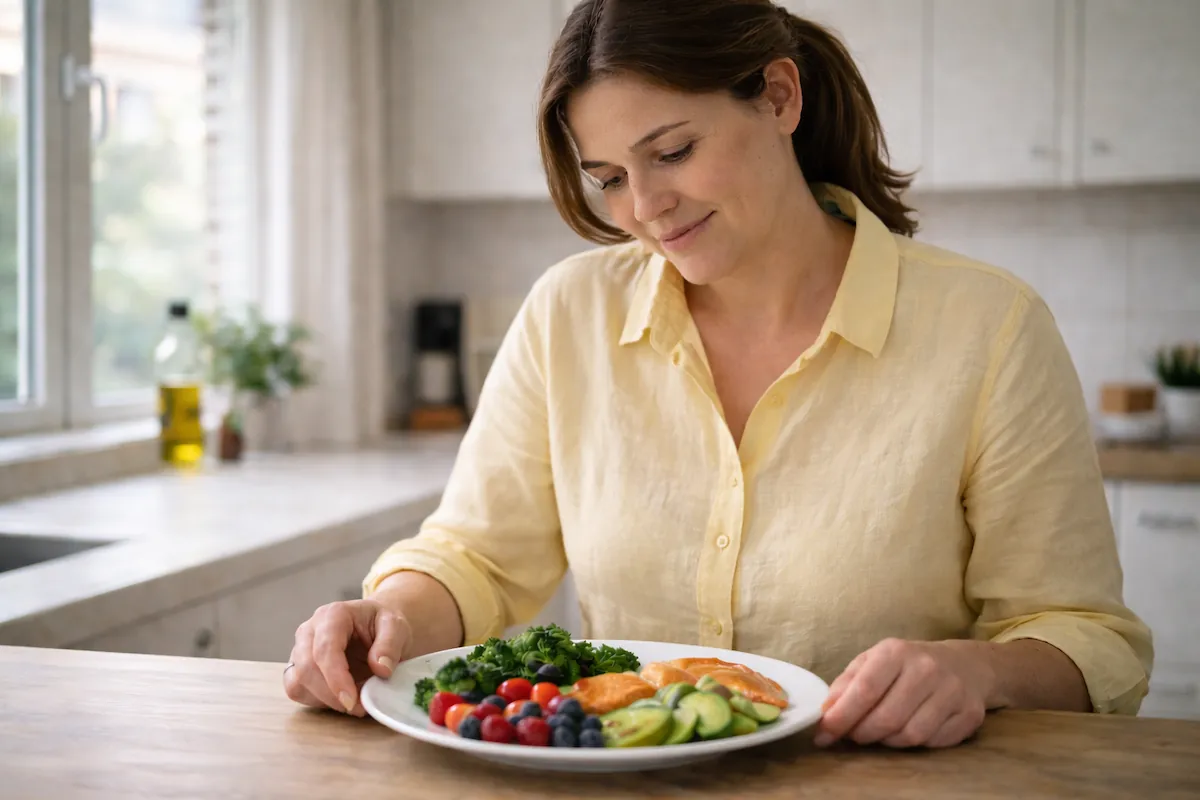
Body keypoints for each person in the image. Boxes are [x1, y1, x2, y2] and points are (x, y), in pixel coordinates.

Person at [284, 0, 1153, 749]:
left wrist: (982, 672)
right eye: (610, 178)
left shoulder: (989, 328)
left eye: (672, 151)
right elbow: (475, 555)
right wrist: (391, 613)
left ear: (779, 96)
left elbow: (1086, 635)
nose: (644, 208)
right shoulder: (568, 313)